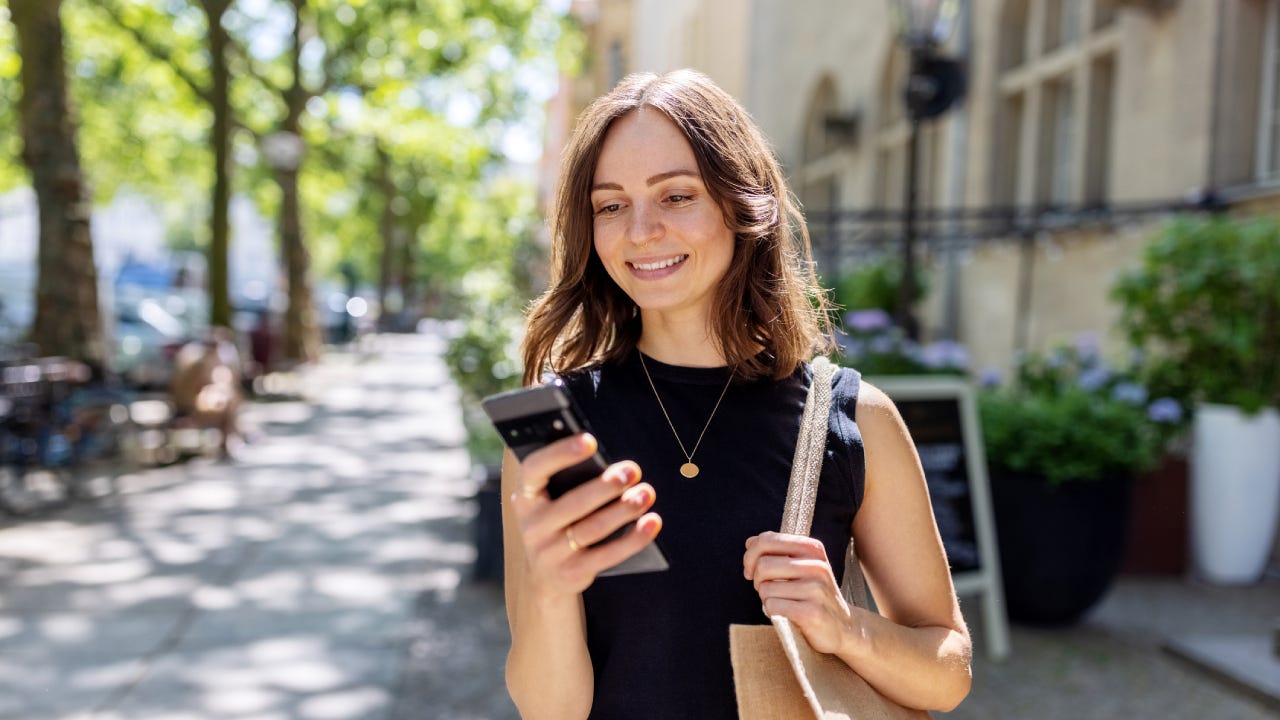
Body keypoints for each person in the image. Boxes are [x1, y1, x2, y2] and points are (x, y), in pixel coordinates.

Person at [501, 69, 972, 719]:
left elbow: (947, 673)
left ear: (740, 202)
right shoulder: (555, 433)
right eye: (610, 205)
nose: (641, 230)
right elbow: (548, 711)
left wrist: (843, 626)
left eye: (676, 196)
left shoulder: (851, 420)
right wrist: (551, 592)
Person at [169, 326, 244, 459]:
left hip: (191, 402)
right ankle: (230, 441)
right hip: (190, 406)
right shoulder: (200, 363)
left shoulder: (199, 359)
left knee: (229, 401)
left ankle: (231, 440)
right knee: (229, 403)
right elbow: (200, 388)